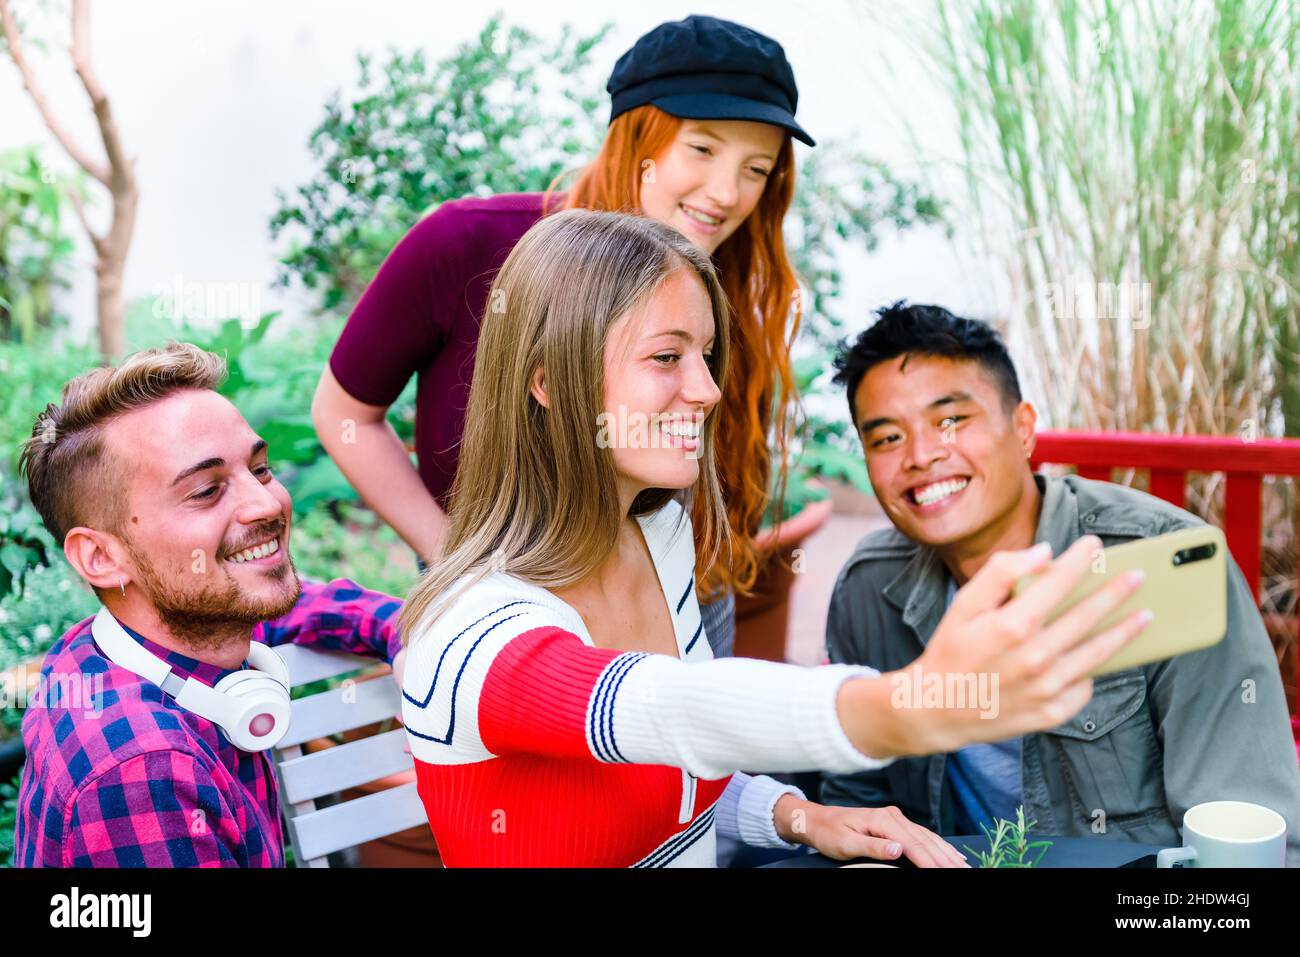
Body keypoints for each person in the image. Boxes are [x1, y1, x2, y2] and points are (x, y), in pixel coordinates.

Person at [396, 209, 1153, 867]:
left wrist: (798, 815)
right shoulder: (471, 636)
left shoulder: (654, 533)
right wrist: (908, 705)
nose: (708, 388)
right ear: (548, 382)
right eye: (667, 356)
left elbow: (674, 771)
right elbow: (673, 709)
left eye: (703, 354)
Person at [314, 14, 820, 661]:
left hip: (675, 604)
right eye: (701, 149)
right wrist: (455, 564)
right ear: (636, 136)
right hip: (492, 606)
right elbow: (343, 411)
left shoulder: (730, 282)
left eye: (757, 167)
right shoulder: (466, 243)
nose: (726, 192)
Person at [818, 302, 1300, 864]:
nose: (922, 456)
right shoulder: (867, 589)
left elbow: (1243, 838)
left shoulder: (1164, 566)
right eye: (886, 439)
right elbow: (856, 811)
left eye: (951, 420)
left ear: (1023, 429)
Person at [14, 344, 403, 867]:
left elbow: (310, 603)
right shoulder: (143, 770)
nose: (268, 503)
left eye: (260, 469)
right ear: (102, 556)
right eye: (205, 491)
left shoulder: (165, 630)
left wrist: (411, 636)